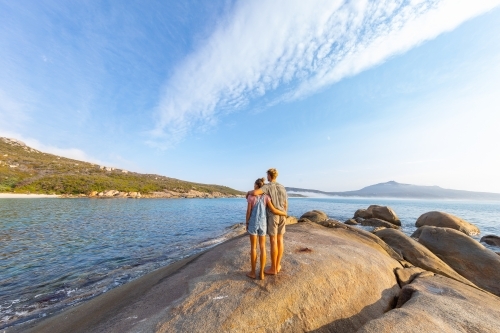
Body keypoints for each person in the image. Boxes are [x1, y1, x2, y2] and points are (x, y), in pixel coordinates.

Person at [247, 168, 288, 275]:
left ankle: (273, 268)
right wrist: (284, 213)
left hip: (274, 216)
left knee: (273, 240)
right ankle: (277, 265)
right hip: (282, 215)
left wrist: (248, 192)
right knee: (280, 240)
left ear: (269, 175)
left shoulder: (268, 186)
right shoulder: (282, 187)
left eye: (267, 175)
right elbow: (285, 204)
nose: (267, 177)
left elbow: (256, 192)